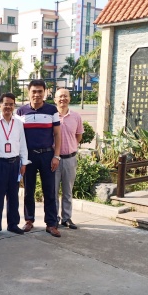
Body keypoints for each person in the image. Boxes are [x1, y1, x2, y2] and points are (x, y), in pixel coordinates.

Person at [16, 79, 63, 238]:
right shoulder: (21, 112)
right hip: (28, 155)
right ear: (28, 92)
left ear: (45, 93)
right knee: (28, 190)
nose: (37, 94)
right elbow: (17, 136)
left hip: (47, 155)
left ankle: (51, 223)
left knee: (49, 190)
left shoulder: (51, 110)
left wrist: (56, 156)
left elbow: (57, 134)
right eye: (34, 91)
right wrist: (21, 158)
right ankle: (29, 220)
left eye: (40, 91)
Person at [0, 93, 30, 237]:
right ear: (0, 105)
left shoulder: (18, 123)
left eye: (11, 104)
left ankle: (13, 224)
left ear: (14, 106)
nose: (8, 107)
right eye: (6, 104)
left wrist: (24, 162)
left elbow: (22, 143)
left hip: (14, 163)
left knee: (13, 196)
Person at [54, 88, 83, 230]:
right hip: (54, 160)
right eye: (60, 96)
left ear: (69, 98)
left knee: (68, 191)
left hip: (70, 159)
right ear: (55, 100)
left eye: (65, 96)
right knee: (53, 191)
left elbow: (78, 136)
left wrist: (70, 147)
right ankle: (54, 218)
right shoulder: (51, 116)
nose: (63, 99)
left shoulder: (76, 117)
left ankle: (66, 218)